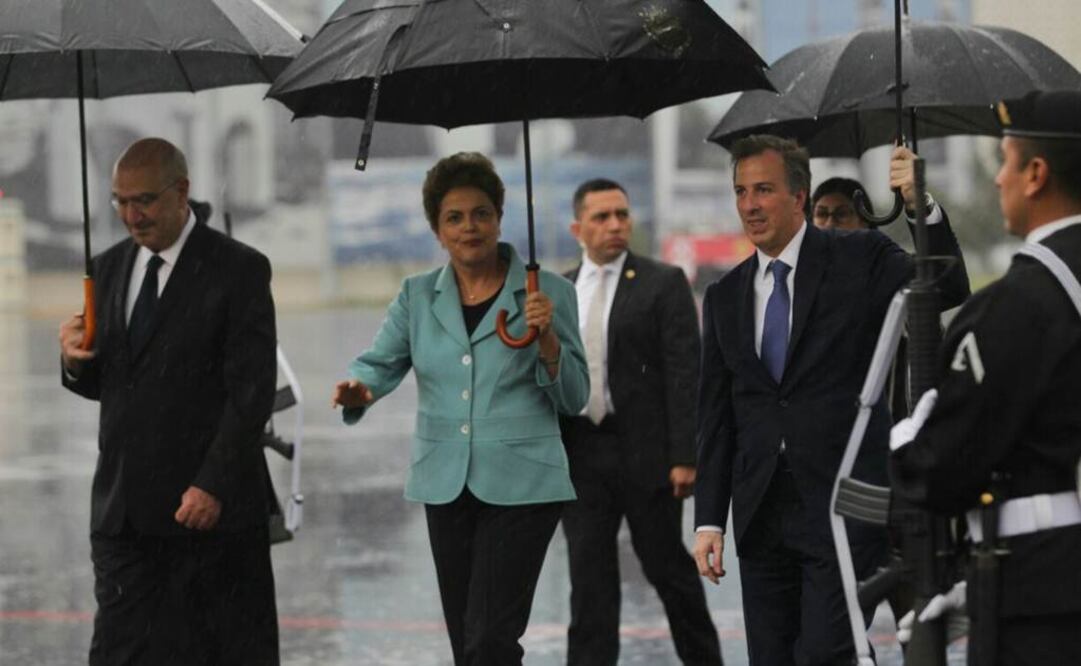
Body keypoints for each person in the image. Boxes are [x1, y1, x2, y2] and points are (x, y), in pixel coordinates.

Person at [692, 134, 970, 665]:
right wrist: (709, 521)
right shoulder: (724, 296)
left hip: (843, 503)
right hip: (760, 513)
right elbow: (718, 416)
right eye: (741, 192)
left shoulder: (858, 257)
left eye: (764, 190)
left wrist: (919, 204)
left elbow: (949, 283)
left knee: (826, 655)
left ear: (799, 196)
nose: (750, 205)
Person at [331, 152, 589, 666]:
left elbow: (574, 396)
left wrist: (548, 342)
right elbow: (380, 362)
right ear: (437, 229)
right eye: (454, 217)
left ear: (499, 218)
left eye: (481, 214)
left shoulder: (548, 292)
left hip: (525, 483)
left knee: (489, 639)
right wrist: (361, 389)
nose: (469, 227)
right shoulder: (417, 296)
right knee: (466, 642)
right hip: (445, 482)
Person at [58, 138, 280, 665]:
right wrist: (74, 360)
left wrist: (212, 484)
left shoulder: (239, 269)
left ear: (182, 191)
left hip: (210, 515)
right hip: (125, 517)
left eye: (144, 200)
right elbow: (110, 384)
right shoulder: (106, 268)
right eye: (120, 201)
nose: (131, 216)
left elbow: (251, 394)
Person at [890, 89, 1081, 665]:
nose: (998, 179)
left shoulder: (1019, 305)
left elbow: (938, 468)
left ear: (1036, 174)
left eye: (1006, 162)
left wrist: (911, 437)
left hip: (1038, 592)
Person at [559, 179, 723, 665]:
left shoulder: (663, 282)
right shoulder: (559, 289)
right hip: (581, 457)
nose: (615, 225)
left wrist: (685, 455)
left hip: (646, 454)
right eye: (602, 217)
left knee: (667, 569)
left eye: (622, 215)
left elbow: (684, 372)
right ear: (577, 228)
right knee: (588, 580)